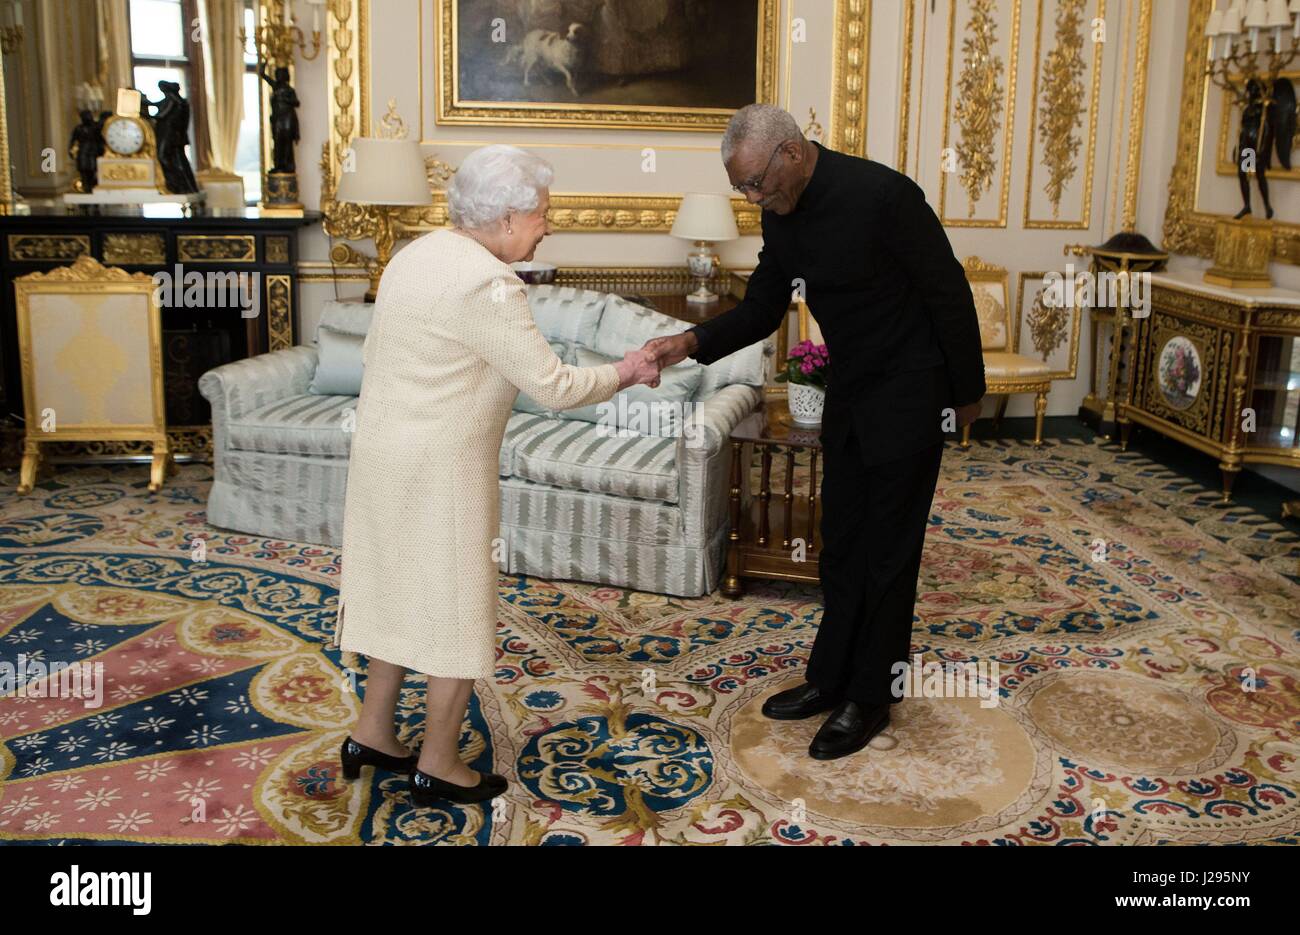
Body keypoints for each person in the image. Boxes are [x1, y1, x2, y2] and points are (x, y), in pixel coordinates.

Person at [643, 104, 986, 760]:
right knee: (841, 542)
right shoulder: (782, 210)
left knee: (889, 552)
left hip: (912, 395)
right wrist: (687, 341)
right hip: (852, 392)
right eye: (743, 189)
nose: (752, 200)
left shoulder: (885, 196)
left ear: (791, 154)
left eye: (756, 185)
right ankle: (829, 677)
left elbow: (949, 291)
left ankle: (871, 696)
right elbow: (764, 306)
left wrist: (966, 394)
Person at [334, 144, 661, 806]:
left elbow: (375, 353)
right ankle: (437, 761)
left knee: (396, 588)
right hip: (442, 469)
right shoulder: (488, 282)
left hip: (379, 454)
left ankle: (372, 732)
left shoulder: (412, 256)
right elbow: (555, 384)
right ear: (509, 217)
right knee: (457, 605)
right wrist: (628, 370)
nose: (546, 225)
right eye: (542, 213)